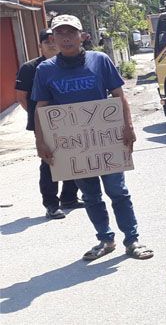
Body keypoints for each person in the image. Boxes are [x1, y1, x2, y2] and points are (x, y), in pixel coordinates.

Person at [32, 14, 153, 261]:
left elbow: (119, 96)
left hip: (106, 143)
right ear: (53, 38)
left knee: (117, 191)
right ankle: (105, 239)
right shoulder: (45, 70)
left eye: (71, 32)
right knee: (90, 196)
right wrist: (40, 141)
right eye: (60, 33)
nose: (66, 38)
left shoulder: (100, 60)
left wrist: (128, 126)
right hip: (75, 149)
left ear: (82, 36)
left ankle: (132, 240)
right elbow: (40, 108)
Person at [15, 29, 82, 220]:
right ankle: (51, 204)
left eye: (55, 40)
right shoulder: (30, 68)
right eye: (47, 41)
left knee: (73, 156)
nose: (52, 44)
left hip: (70, 121)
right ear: (40, 45)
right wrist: (41, 118)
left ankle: (69, 197)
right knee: (49, 161)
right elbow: (21, 97)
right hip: (44, 125)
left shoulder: (68, 63)